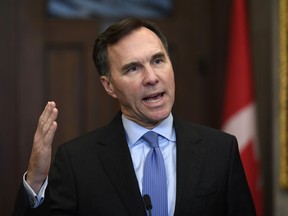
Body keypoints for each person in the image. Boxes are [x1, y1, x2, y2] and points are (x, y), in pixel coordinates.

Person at [13, 18, 256, 216]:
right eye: (133, 68)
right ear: (109, 86)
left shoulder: (221, 151)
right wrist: (35, 180)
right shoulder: (76, 162)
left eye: (158, 60)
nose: (151, 77)